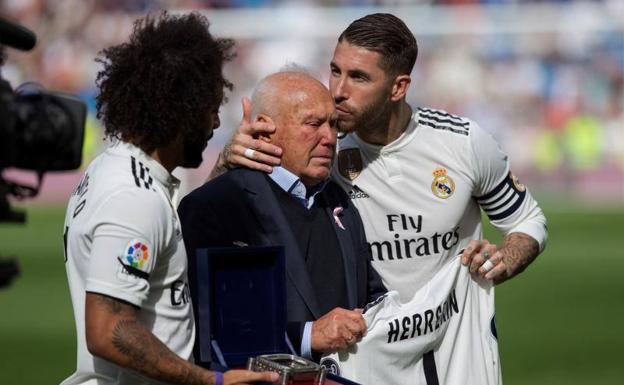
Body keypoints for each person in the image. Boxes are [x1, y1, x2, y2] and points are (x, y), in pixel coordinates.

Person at [211, 13, 548, 384]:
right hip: (364, 358)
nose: (338, 89)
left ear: (398, 86)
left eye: (358, 77)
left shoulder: (462, 143)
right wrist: (228, 159)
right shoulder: (320, 150)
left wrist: (504, 258)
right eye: (335, 70)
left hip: (456, 353)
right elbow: (218, 214)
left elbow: (526, 221)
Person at [61, 12, 278, 385]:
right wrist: (212, 381)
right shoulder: (134, 197)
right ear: (183, 108)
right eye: (210, 107)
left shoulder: (116, 169)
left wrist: (223, 164)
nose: (214, 122)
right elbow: (107, 329)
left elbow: (162, 241)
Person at [178, 70, 386, 364]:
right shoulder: (218, 205)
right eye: (313, 124)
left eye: (333, 125)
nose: (329, 138)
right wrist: (307, 336)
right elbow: (212, 332)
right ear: (264, 129)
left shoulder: (340, 201)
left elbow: (371, 294)